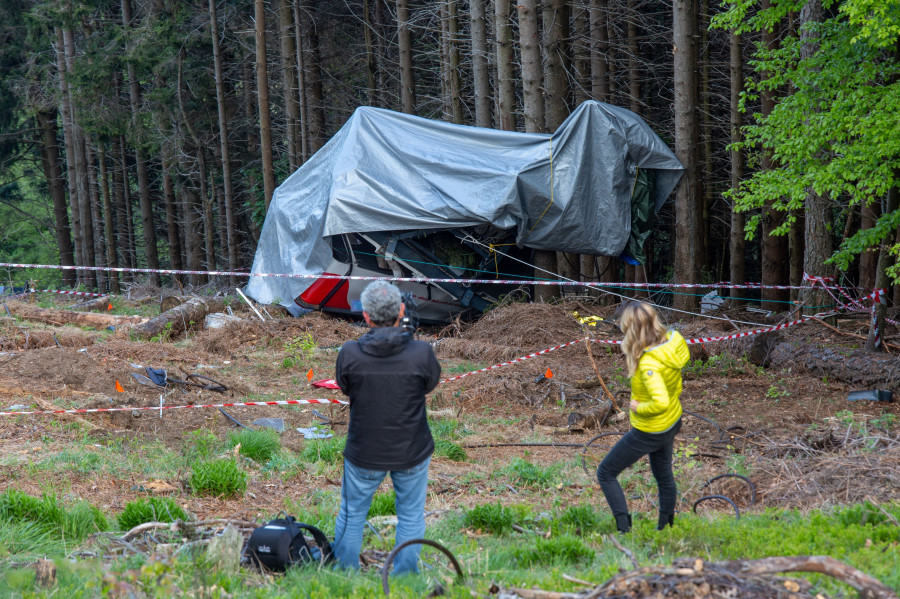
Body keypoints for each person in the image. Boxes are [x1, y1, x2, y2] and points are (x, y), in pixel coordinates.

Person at [332, 280, 441, 574]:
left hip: (364, 450)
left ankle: (344, 574)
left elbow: (344, 386)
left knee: (352, 513)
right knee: (411, 515)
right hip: (412, 450)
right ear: (402, 310)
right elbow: (430, 384)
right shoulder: (422, 353)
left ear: (366, 316)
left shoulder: (349, 353)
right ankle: (405, 576)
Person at [596, 301, 690, 533]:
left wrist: (639, 407)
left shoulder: (649, 364)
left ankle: (623, 531)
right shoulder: (672, 340)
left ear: (632, 329)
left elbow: (659, 402)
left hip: (651, 429)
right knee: (663, 474)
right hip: (672, 420)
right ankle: (665, 529)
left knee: (606, 473)